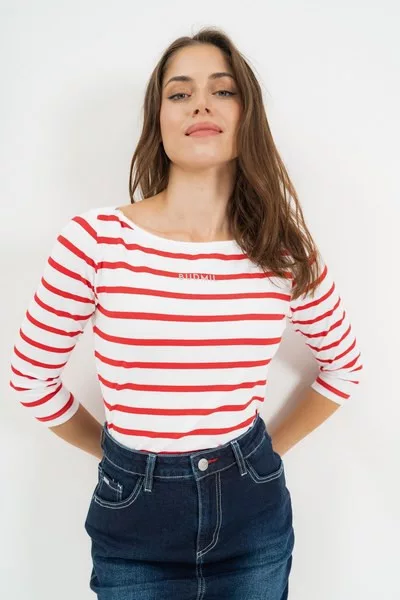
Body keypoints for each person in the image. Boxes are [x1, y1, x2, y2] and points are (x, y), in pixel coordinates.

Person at [9, 26, 363, 600]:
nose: (201, 103)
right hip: (133, 525)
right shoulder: (94, 241)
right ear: (159, 120)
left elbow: (344, 368)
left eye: (222, 90)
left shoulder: (282, 252)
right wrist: (123, 461)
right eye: (180, 93)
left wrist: (260, 456)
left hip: (253, 518)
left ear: (247, 114)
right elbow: (30, 379)